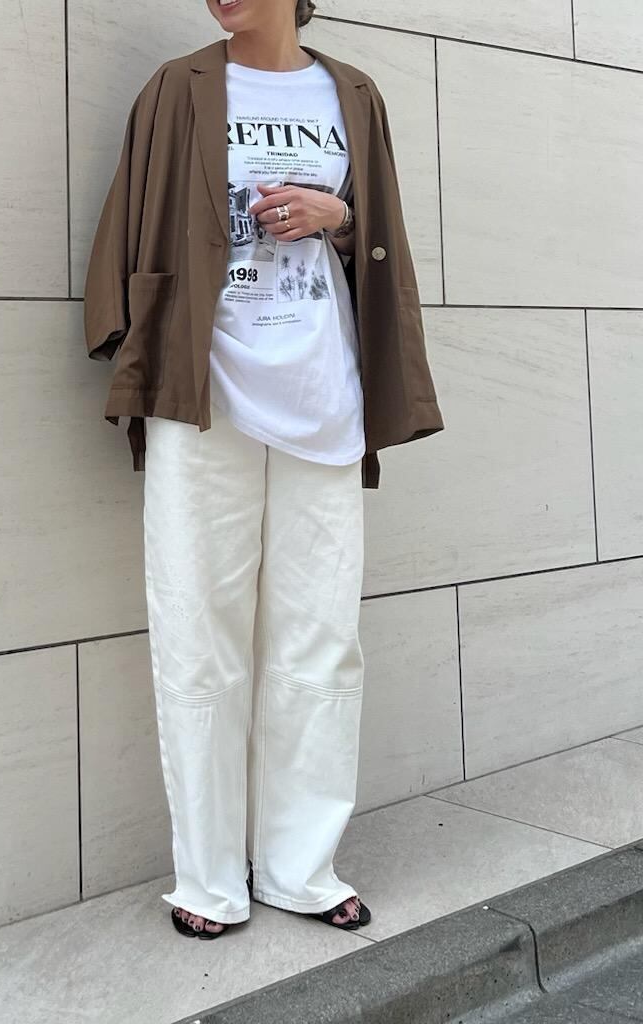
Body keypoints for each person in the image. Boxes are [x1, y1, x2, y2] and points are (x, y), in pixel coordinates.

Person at [84, 0, 441, 940]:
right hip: (205, 396)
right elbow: (128, 226)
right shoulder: (178, 89)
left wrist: (337, 215)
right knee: (198, 635)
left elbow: (382, 236)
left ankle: (299, 867)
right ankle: (207, 879)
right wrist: (127, 348)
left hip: (324, 395)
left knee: (321, 638)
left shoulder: (353, 94)